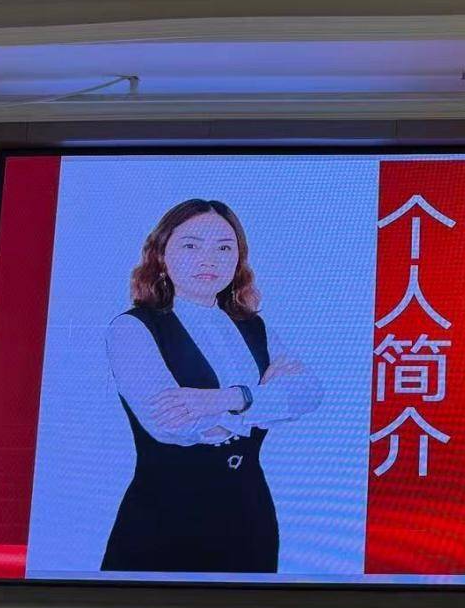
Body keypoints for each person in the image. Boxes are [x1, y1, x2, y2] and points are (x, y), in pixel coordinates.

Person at [101, 198, 322, 574]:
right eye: (191, 245)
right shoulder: (132, 328)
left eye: (224, 248)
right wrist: (264, 402)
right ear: (161, 254)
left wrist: (225, 399)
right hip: (164, 517)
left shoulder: (254, 327)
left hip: (250, 513)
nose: (209, 260)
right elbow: (173, 425)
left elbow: (308, 392)